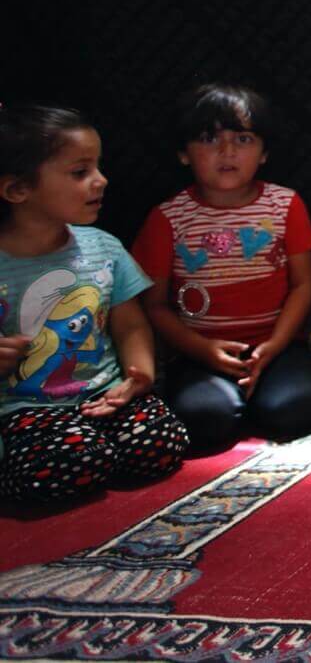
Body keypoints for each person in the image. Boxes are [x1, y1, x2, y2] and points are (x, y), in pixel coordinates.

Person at [0, 104, 187, 503]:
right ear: (18, 189)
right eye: (79, 172)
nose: (100, 181)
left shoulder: (103, 247)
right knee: (74, 458)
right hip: (25, 409)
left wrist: (138, 375)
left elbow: (129, 323)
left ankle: (93, 453)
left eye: (98, 167)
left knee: (160, 442)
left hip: (101, 396)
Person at [132, 85, 311, 450]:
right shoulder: (168, 218)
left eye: (243, 138)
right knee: (205, 419)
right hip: (200, 353)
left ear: (264, 152)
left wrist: (274, 344)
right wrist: (203, 350)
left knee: (293, 410)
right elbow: (155, 304)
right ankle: (229, 400)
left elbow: (304, 285)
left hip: (276, 346)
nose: (227, 151)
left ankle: (258, 391)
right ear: (183, 153)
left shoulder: (284, 205)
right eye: (209, 139)